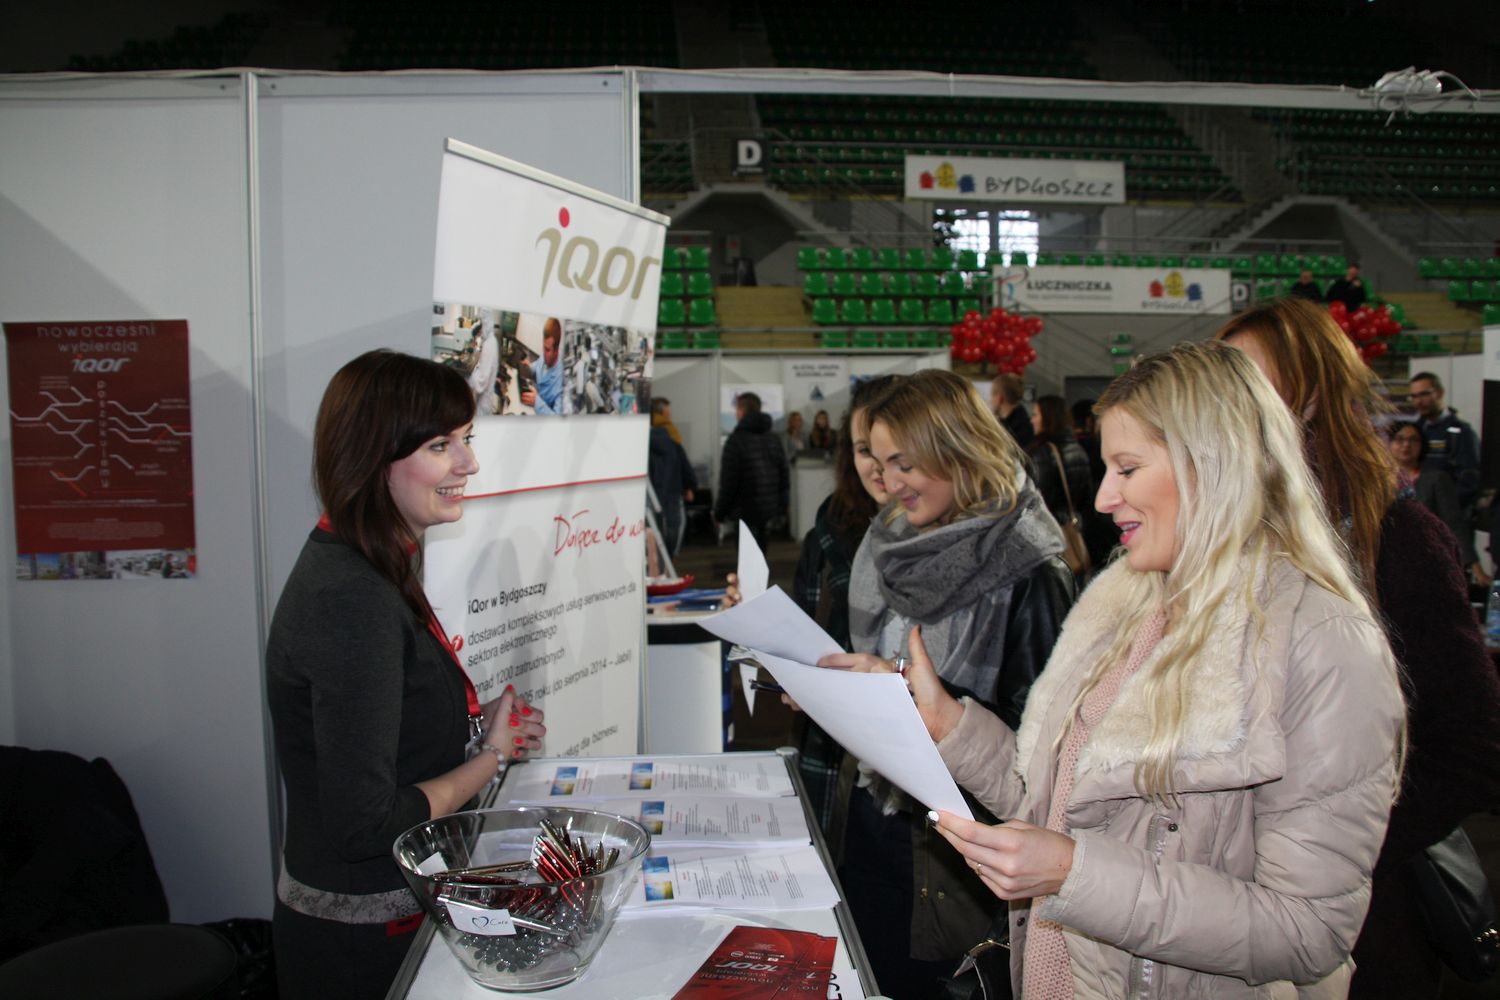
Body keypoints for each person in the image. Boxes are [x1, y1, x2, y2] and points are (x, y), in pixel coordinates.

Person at [893, 340, 1405, 997]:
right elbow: (1056, 809)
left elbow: (1309, 932)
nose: (1104, 498)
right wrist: (950, 726)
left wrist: (1075, 876)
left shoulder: (1323, 645)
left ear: (1212, 465)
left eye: (1128, 469)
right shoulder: (1124, 604)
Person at [1218, 299, 1500, 998]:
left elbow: (1473, 745)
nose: (1228, 401)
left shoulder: (1398, 540)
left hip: (1363, 922)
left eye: (1248, 380)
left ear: (1312, 396)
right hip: (1225, 908)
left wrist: (1338, 847)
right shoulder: (1221, 539)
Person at [266, 350, 547, 1000]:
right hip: (363, 943)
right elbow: (365, 824)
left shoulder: (370, 562)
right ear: (372, 457)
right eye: (440, 445)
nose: (468, 463)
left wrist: (469, 728)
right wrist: (492, 758)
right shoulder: (352, 596)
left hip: (386, 918)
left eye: (466, 439)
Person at [819, 369, 1075, 999]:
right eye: (880, 462)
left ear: (957, 450)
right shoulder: (889, 542)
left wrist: (913, 697)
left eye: (904, 464)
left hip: (957, 856)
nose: (889, 482)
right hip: (874, 820)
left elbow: (1043, 749)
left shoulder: (1032, 570)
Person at [788, 376, 899, 832]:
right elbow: (805, 629)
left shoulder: (947, 543)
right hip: (836, 755)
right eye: (864, 450)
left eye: (892, 450)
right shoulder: (828, 531)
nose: (878, 466)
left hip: (914, 769)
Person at [1388, 419, 1483, 580]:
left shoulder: (1436, 478)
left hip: (1426, 559)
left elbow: (1454, 523)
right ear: (1389, 443)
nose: (1406, 445)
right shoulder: (1377, 480)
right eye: (1400, 439)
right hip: (1387, 559)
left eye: (1413, 440)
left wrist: (1474, 566)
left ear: (1423, 445)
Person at [1027, 394, 1096, 577]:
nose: (1032, 420)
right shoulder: (1077, 447)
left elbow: (1039, 500)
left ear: (1048, 417)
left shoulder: (1043, 452)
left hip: (1050, 533)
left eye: (1036, 414)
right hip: (1074, 527)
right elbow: (1087, 496)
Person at [714, 391, 789, 552]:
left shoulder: (735, 441)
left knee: (747, 557)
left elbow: (728, 482)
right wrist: (782, 506)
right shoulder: (774, 439)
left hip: (744, 511)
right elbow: (784, 476)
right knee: (761, 552)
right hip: (768, 509)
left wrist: (719, 512)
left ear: (741, 411)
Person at [1409, 370, 1481, 511]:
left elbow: (1470, 479)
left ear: (1440, 393)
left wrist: (1446, 506)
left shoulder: (1461, 432)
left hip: (1447, 513)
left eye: (1424, 394)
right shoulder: (1414, 431)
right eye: (1414, 396)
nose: (1419, 401)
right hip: (1417, 510)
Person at [648, 397, 696, 556]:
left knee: (653, 526)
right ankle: (670, 557)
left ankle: (657, 559)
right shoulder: (671, 433)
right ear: (661, 410)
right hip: (673, 487)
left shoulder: (642, 436)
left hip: (652, 490)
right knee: (674, 524)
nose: (670, 413)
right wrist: (689, 485)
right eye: (668, 409)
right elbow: (683, 461)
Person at [521, 317, 563, 415]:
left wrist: (537, 402)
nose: (544, 353)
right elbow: (536, 368)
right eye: (544, 347)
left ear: (556, 350)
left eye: (547, 350)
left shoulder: (561, 383)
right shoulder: (545, 357)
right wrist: (528, 367)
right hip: (530, 408)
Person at [465, 314, 500, 416]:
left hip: (483, 403)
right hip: (486, 398)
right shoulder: (491, 340)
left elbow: (482, 381)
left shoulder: (488, 345)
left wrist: (467, 379)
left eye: (482, 323)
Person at [990, 372, 1033, 449]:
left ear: (999, 398)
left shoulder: (1020, 429)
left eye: (992, 395)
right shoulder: (1019, 422)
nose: (991, 400)